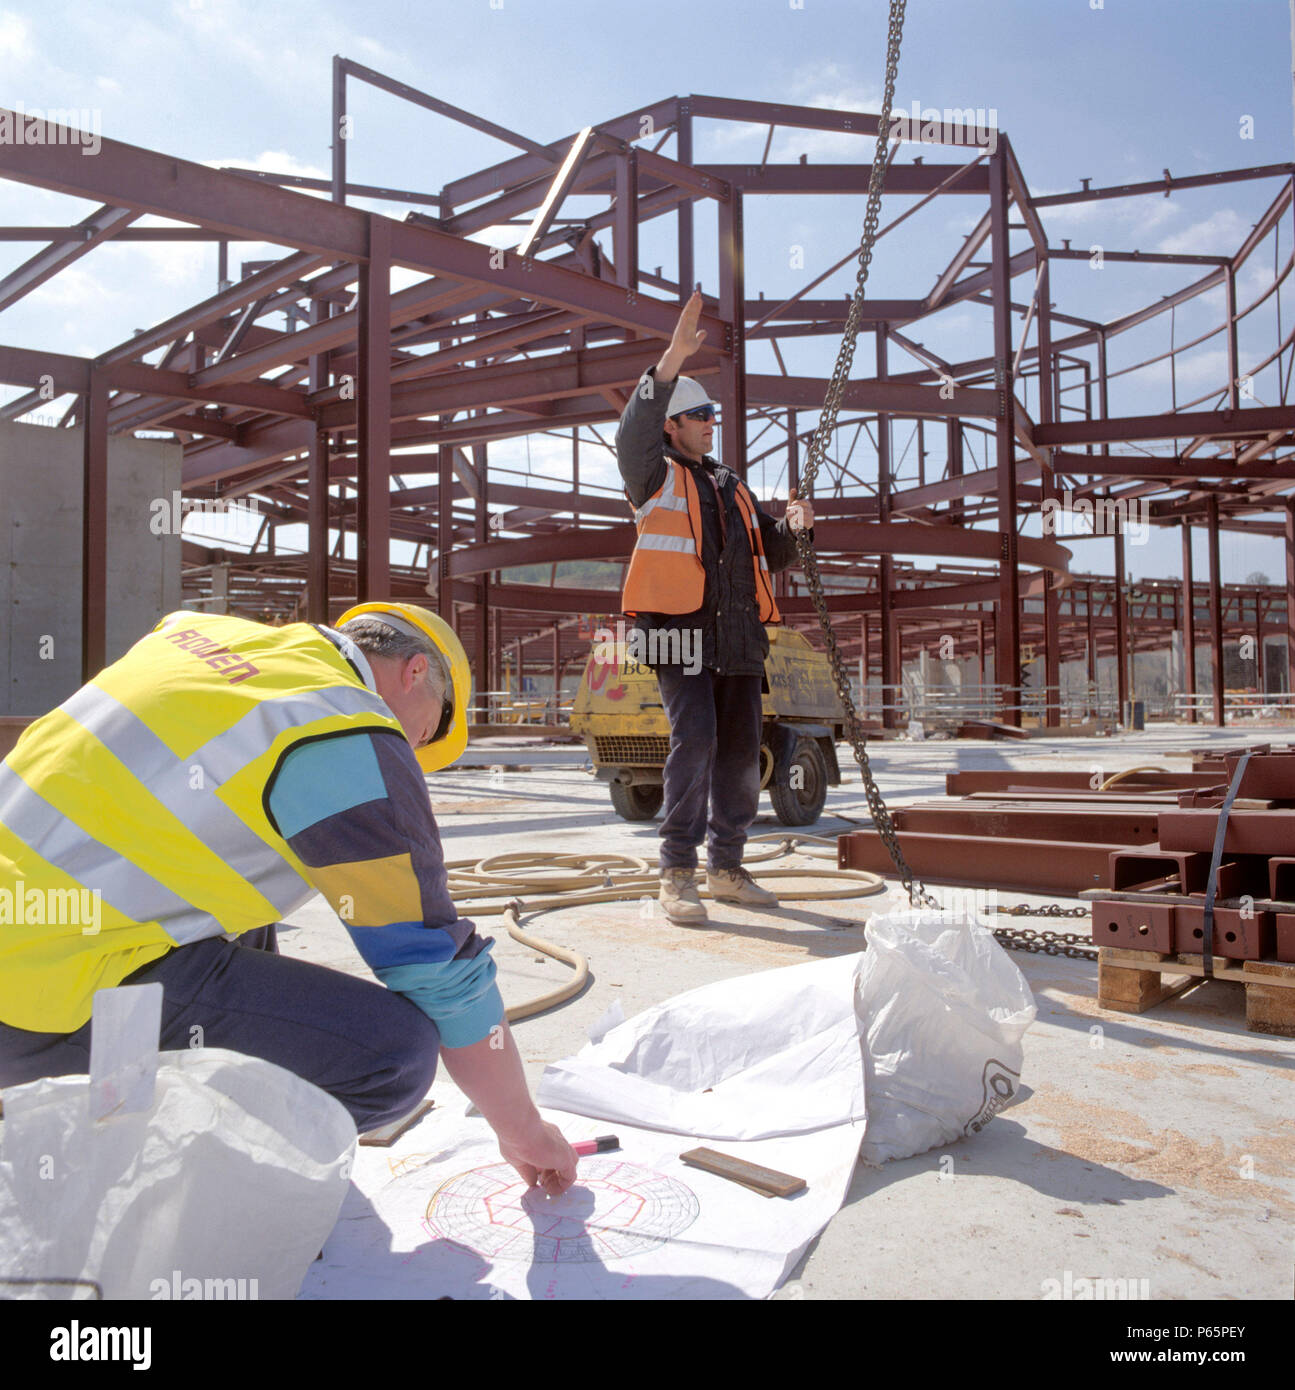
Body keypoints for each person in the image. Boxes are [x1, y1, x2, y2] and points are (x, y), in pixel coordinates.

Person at [0, 602, 577, 1197]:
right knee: (394, 1057)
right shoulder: (341, 724)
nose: (409, 751)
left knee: (246, 924)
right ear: (413, 673)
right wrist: (522, 1129)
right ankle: (157, 1179)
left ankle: (139, 1105)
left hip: (27, 948)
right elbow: (435, 970)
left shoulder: (196, 634)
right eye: (422, 734)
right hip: (39, 1011)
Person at [615, 290, 814, 924]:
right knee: (694, 739)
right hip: (678, 634)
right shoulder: (654, 476)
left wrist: (795, 529)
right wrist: (671, 359)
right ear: (671, 424)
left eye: (711, 414)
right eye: (698, 414)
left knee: (738, 750)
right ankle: (677, 871)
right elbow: (632, 436)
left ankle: (727, 866)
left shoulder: (733, 486)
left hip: (738, 640)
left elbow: (767, 557)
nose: (710, 422)